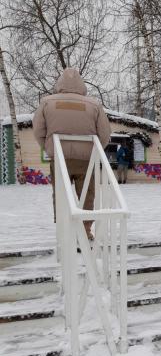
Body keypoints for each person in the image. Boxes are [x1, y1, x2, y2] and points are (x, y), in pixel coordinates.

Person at [33, 68, 112, 240]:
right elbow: (105, 133)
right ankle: (85, 230)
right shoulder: (93, 104)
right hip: (86, 160)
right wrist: (94, 151)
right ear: (81, 84)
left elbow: (38, 130)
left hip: (60, 157)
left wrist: (49, 148)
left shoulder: (47, 102)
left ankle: (64, 228)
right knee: (87, 194)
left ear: (60, 83)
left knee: (61, 194)